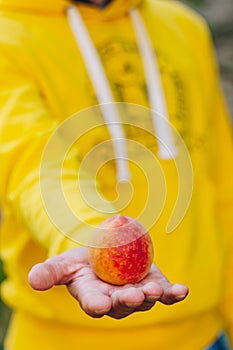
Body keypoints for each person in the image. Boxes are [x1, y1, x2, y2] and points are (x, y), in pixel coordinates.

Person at [0, 0, 232, 349]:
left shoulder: (184, 26)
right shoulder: (8, 37)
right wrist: (92, 237)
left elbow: (223, 192)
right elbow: (34, 165)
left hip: (202, 336)